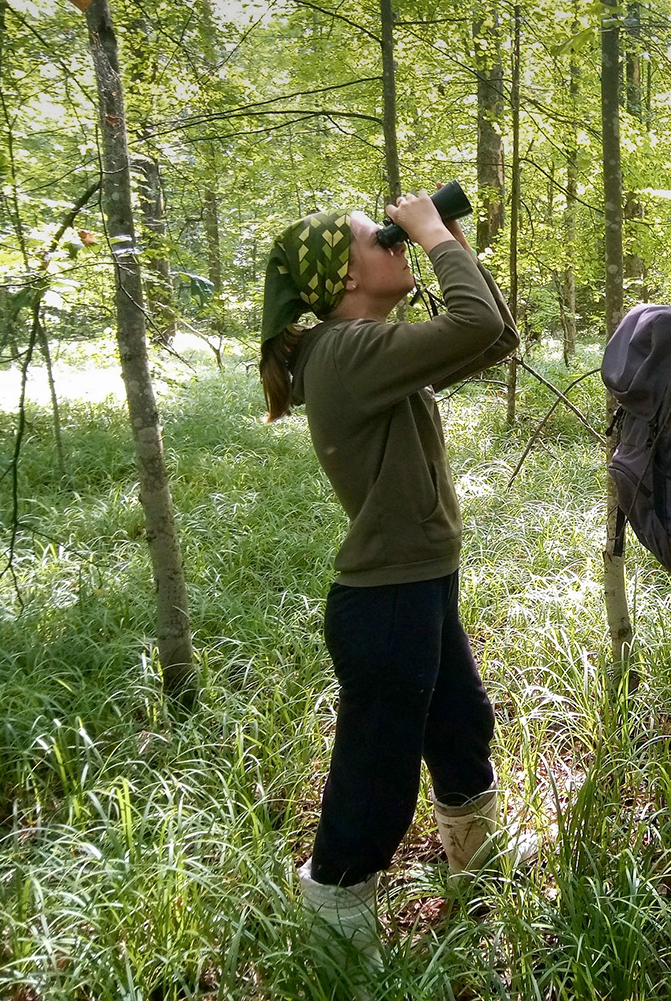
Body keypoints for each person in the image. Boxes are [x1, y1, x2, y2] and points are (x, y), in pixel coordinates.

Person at [258, 194, 518, 958]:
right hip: (387, 597)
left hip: (418, 585)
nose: (396, 239)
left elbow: (495, 334)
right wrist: (434, 234)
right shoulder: (347, 351)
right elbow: (473, 323)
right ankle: (335, 916)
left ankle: (477, 861)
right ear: (343, 278)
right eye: (381, 237)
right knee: (377, 772)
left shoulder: (363, 344)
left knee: (461, 727)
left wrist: (452, 237)